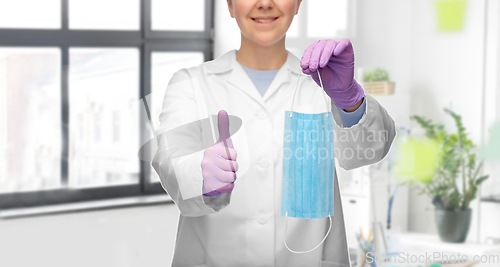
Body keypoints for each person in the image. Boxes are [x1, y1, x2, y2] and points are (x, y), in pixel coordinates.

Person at [152, 0, 396, 266]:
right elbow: (169, 160)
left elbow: (366, 152)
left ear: (298, 4)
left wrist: (350, 99)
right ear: (231, 6)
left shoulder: (322, 82)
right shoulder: (191, 83)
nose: (265, 3)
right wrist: (200, 173)